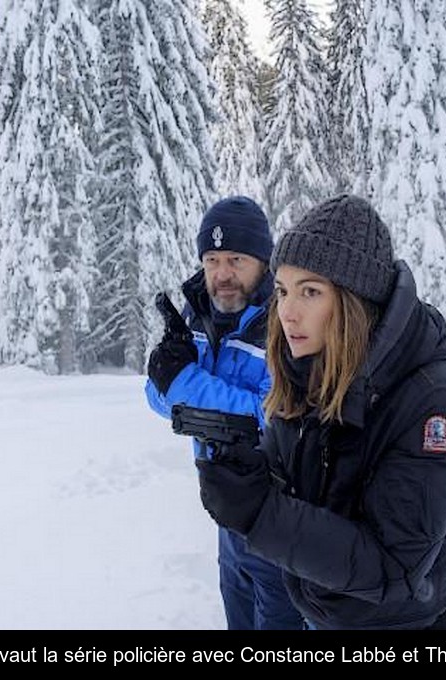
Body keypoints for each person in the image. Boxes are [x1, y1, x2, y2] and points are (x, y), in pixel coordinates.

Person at [195, 194, 446, 630]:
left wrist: (260, 512)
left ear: (354, 300)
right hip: (320, 618)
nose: (287, 312)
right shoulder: (310, 371)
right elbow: (294, 477)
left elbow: (393, 567)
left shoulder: (431, 401)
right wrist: (251, 471)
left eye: (310, 291)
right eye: (284, 291)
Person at [145, 195, 304, 630]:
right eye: (212, 259)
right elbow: (158, 398)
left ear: (262, 263)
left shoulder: (286, 323)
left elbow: (271, 416)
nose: (222, 274)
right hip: (227, 515)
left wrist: (183, 385)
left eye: (236, 259)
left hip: (279, 519)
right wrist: (173, 380)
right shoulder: (200, 317)